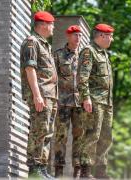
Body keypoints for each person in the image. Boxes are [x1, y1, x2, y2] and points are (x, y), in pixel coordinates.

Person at [20, 11, 57, 179]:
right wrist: (36, 95)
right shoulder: (31, 42)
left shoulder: (45, 44)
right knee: (39, 130)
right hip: (41, 93)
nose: (53, 28)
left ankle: (41, 168)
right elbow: (30, 69)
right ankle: (34, 168)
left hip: (50, 95)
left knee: (47, 131)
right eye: (51, 24)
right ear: (43, 25)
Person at [77, 23, 114, 178]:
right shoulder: (89, 51)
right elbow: (82, 77)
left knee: (106, 137)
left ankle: (101, 171)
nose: (112, 39)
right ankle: (85, 171)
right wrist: (86, 98)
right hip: (94, 101)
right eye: (110, 36)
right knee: (92, 135)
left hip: (106, 103)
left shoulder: (104, 54)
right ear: (101, 35)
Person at [53, 25, 83, 178]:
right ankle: (58, 171)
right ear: (68, 36)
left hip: (80, 103)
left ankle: (77, 172)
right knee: (61, 136)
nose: (78, 38)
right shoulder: (58, 55)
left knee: (79, 137)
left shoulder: (85, 56)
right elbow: (52, 78)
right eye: (75, 35)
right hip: (63, 102)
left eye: (80, 35)